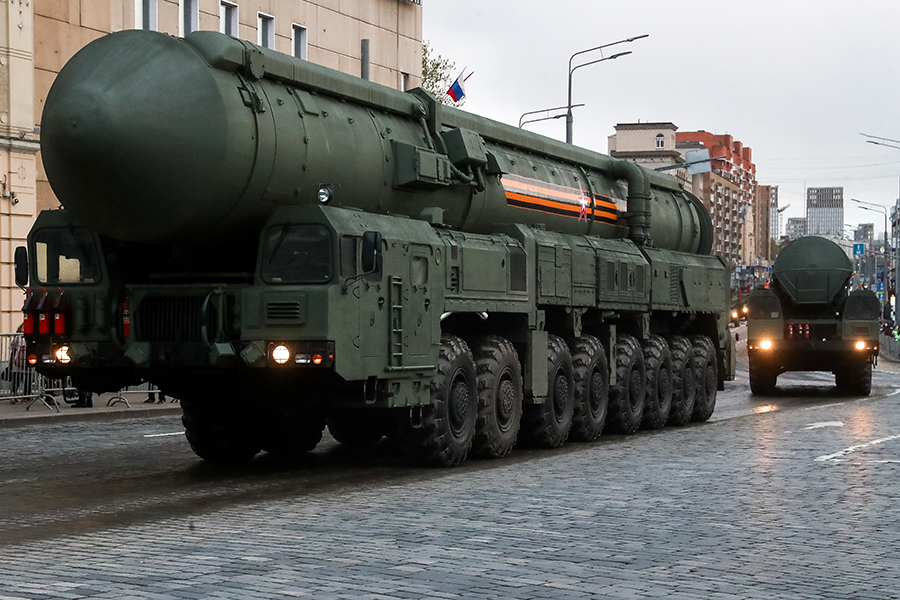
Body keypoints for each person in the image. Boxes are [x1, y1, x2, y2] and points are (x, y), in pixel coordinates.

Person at [9, 326, 30, 402]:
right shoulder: (29, 337)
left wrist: (11, 362)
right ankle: (26, 397)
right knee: (29, 378)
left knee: (17, 378)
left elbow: (13, 349)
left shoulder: (17, 337)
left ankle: (13, 393)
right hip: (28, 361)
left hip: (17, 361)